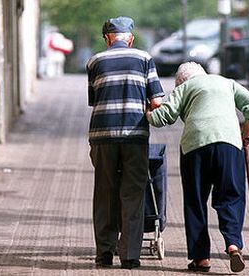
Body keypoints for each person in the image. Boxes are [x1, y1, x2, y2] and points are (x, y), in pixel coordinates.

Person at [146, 62, 249, 273]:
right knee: (231, 196)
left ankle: (201, 259)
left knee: (195, 201)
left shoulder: (184, 88)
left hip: (195, 146)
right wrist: (247, 131)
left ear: (180, 81)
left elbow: (164, 117)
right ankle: (233, 244)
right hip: (229, 144)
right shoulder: (227, 83)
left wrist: (148, 114)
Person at [86, 16, 164, 269]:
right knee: (133, 193)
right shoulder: (144, 59)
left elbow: (94, 98)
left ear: (108, 38)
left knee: (105, 193)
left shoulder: (95, 61)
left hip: (102, 137)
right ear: (130, 38)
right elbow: (156, 102)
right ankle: (130, 256)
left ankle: (104, 254)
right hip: (135, 137)